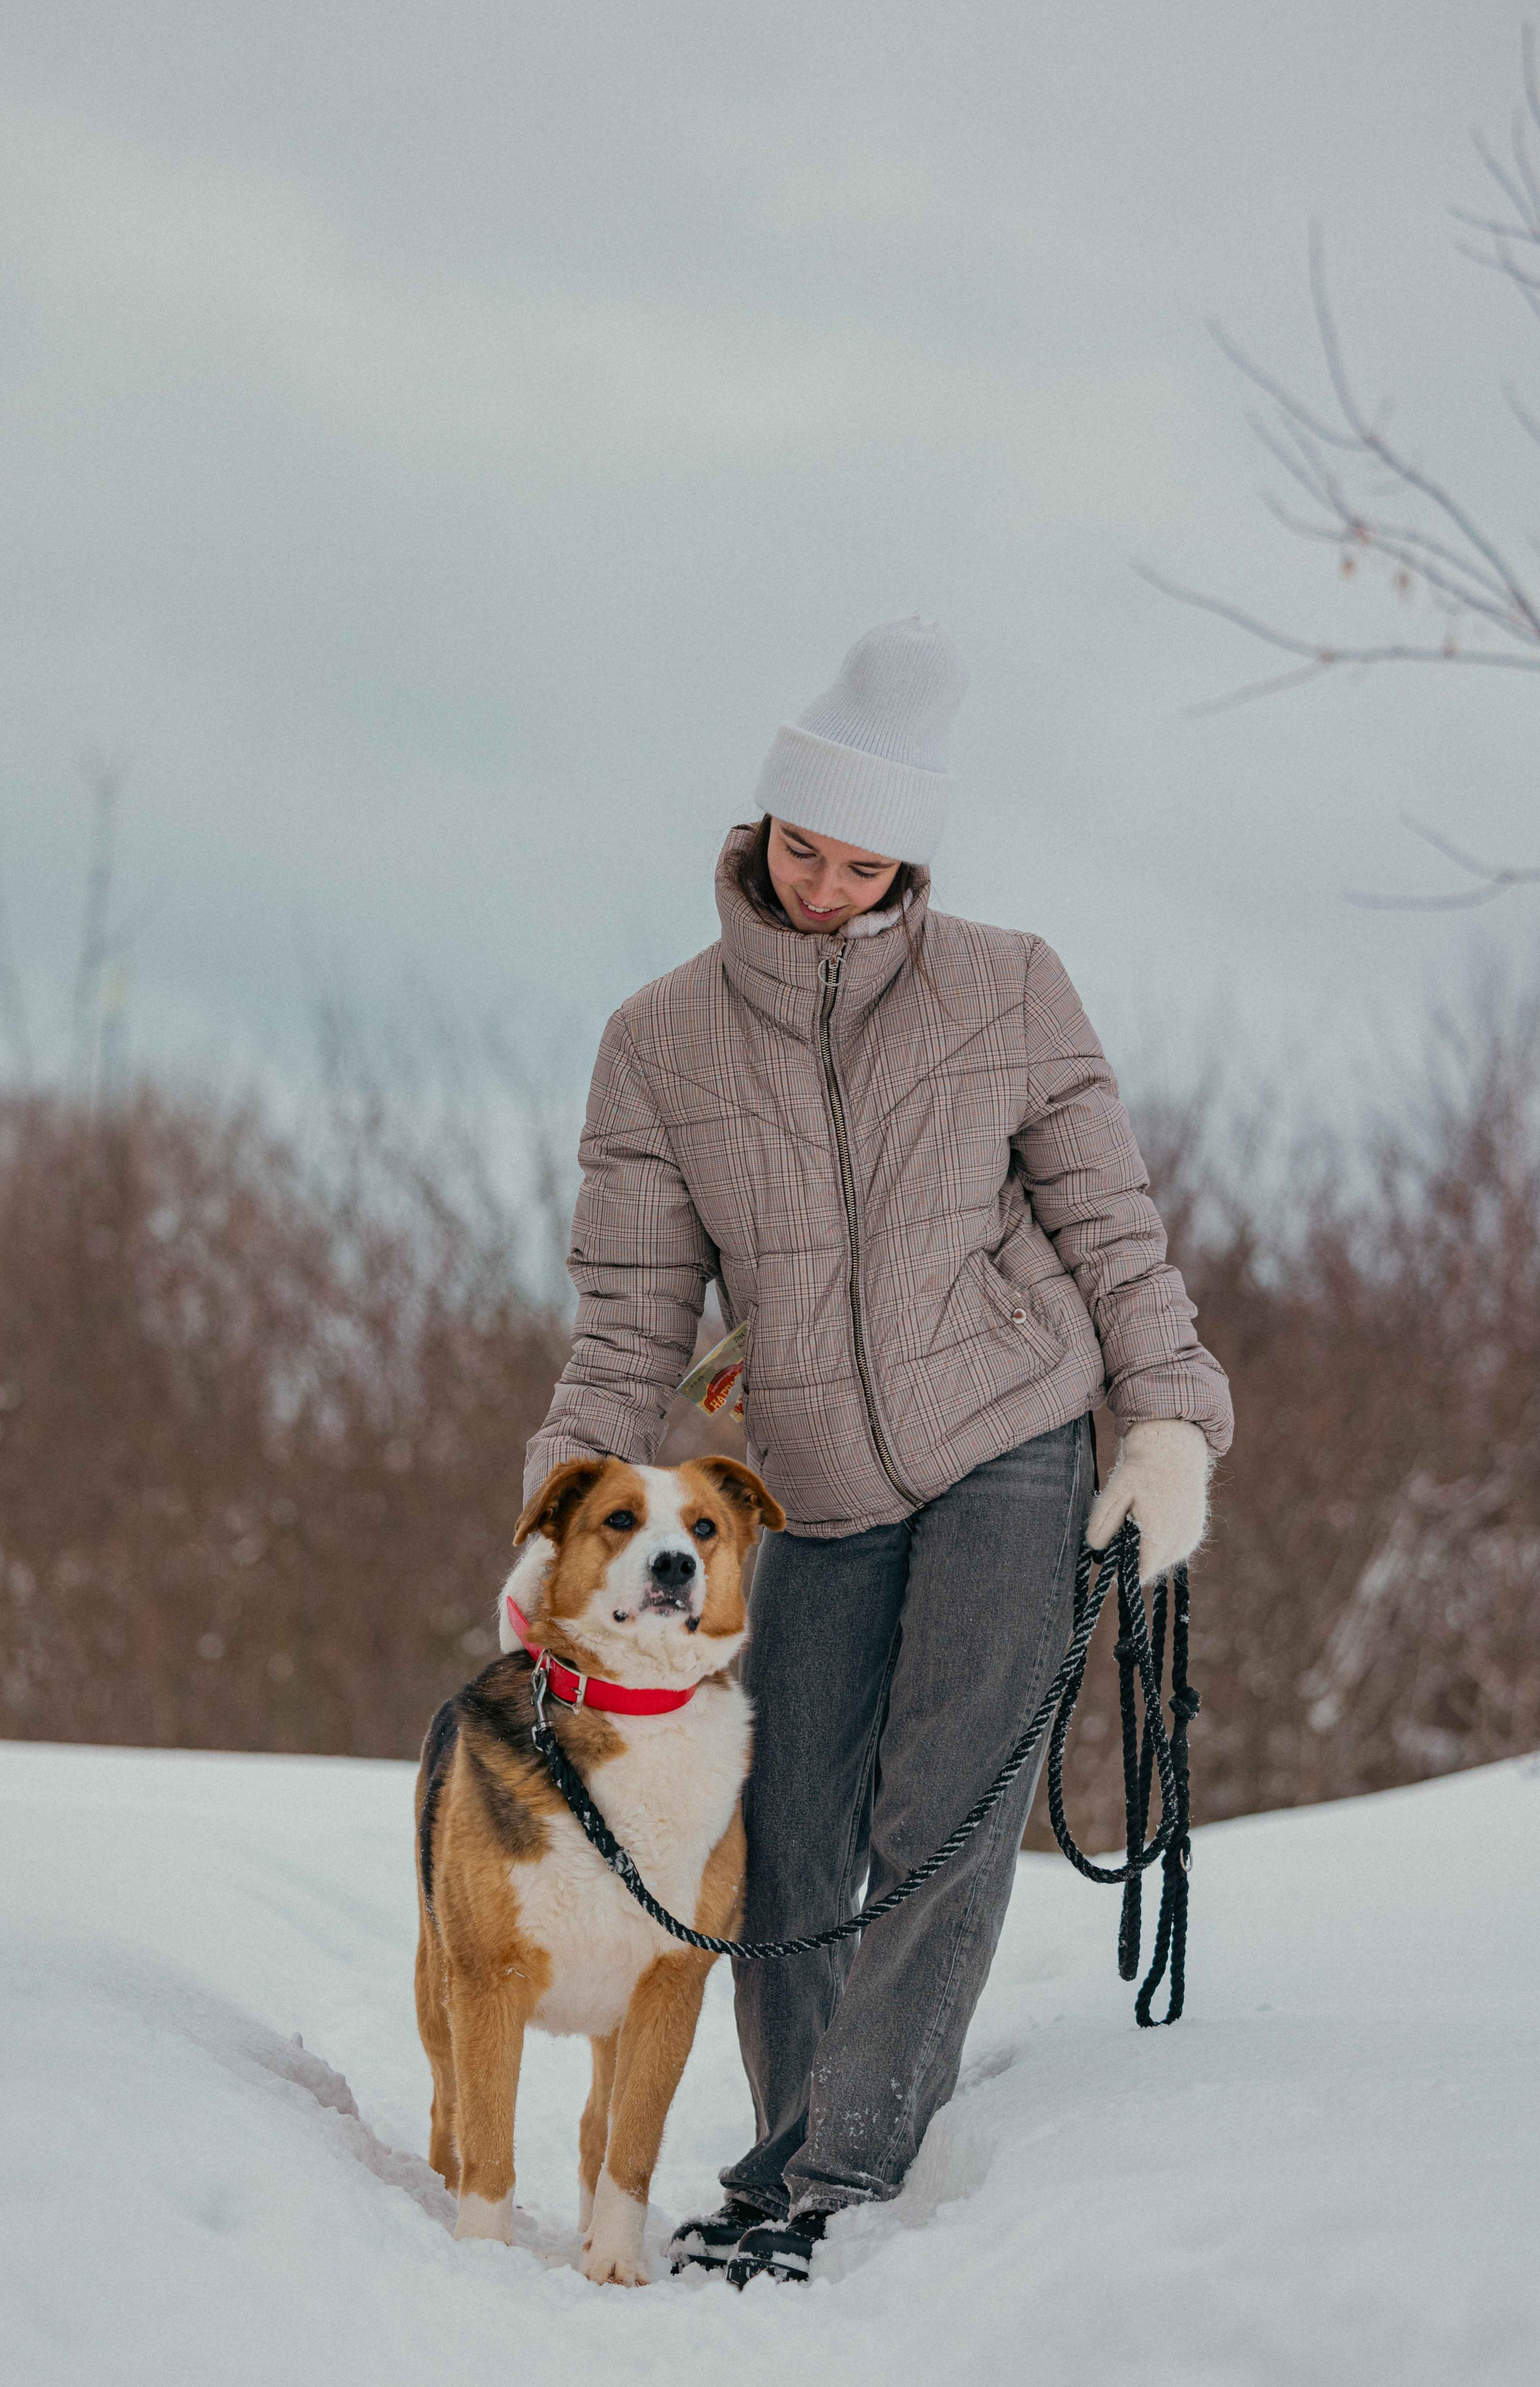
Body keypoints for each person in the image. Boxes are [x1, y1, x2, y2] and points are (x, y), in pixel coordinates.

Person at [523, 617, 1232, 2286]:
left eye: (863, 863)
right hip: (807, 1475)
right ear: (757, 833)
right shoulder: (661, 1041)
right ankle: (783, 2148)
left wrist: (1168, 1424)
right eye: (802, 850)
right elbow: (627, 1321)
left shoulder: (1009, 985)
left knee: (940, 1808)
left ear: (913, 861)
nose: (827, 886)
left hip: (1005, 1432)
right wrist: (550, 1516)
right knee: (779, 1820)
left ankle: (840, 2164)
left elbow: (1108, 1227)